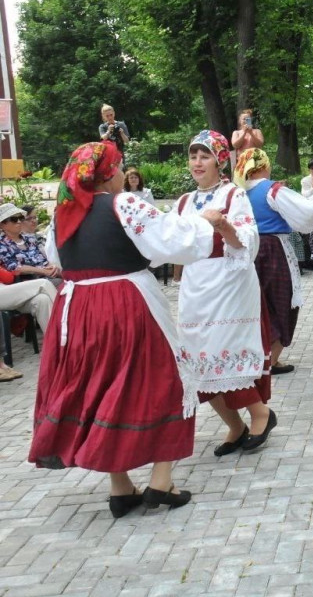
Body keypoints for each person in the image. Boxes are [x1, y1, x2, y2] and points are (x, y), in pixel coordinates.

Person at [29, 140, 216, 516]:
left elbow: (54, 257)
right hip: (125, 304)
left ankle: (121, 487)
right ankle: (161, 481)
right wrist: (204, 223)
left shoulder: (63, 212)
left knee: (103, 389)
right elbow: (171, 241)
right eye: (118, 167)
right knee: (169, 382)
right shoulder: (123, 204)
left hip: (77, 308)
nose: (119, 174)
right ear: (110, 172)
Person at [173, 131, 277, 456]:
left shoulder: (233, 194)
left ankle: (260, 413)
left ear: (219, 161)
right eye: (193, 156)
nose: (197, 162)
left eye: (204, 156)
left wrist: (223, 226)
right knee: (199, 361)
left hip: (229, 284)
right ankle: (234, 424)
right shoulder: (184, 202)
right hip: (196, 286)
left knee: (225, 351)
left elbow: (248, 241)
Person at [235, 147, 313, 375]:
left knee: (259, 303)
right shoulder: (271, 190)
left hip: (248, 251)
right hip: (273, 249)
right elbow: (305, 212)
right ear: (263, 166)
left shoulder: (238, 191)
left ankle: (261, 356)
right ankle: (271, 359)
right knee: (282, 302)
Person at [0, 203, 61, 282]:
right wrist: (44, 271)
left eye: (21, 218)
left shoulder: (29, 238)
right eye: (14, 219)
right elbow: (15, 268)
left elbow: (43, 260)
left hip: (45, 277)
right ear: (2, 225)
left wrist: (52, 267)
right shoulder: (2, 244)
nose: (19, 221)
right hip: (28, 282)